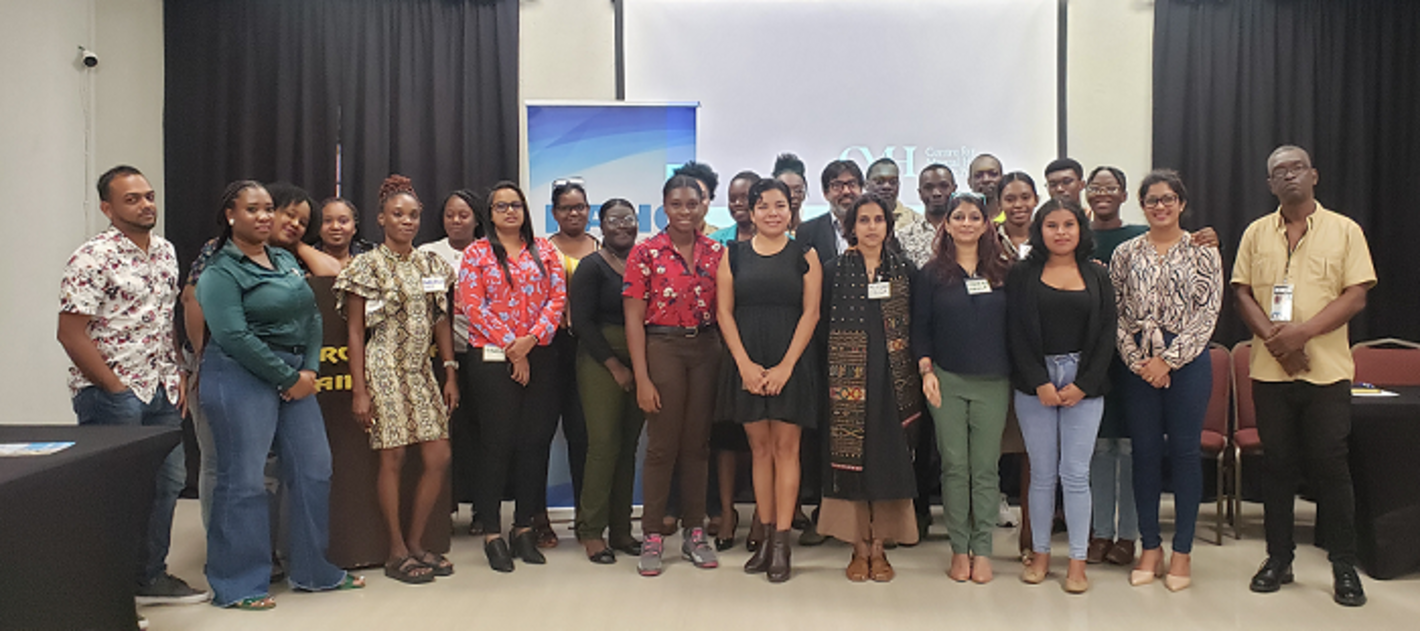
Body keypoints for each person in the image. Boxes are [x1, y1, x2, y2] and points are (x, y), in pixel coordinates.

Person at [196, 180, 363, 608]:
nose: (264, 216)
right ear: (231, 215)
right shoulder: (220, 269)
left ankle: (313, 570)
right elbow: (232, 335)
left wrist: (308, 369)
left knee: (314, 469)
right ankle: (238, 585)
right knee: (244, 479)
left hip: (295, 373)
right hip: (239, 374)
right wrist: (286, 378)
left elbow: (311, 316)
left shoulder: (285, 260)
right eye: (252, 209)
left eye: (268, 208)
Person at [57, 165, 209, 606]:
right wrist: (114, 387)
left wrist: (177, 371)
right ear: (107, 208)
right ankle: (106, 593)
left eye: (149, 196)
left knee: (167, 482)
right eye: (132, 199)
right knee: (117, 493)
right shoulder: (92, 257)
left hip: (162, 388)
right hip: (112, 392)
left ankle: (148, 578)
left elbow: (163, 318)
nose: (146, 205)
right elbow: (70, 333)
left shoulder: (164, 251)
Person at [1233, 145, 1375, 607]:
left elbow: (1356, 295)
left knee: (1331, 467)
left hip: (1326, 372)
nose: (1289, 175)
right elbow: (1243, 293)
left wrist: (1302, 335)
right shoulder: (1256, 232)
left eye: (1297, 168)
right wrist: (1278, 345)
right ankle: (1279, 558)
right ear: (1269, 184)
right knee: (1277, 466)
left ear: (1314, 175)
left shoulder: (1345, 230)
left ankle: (1343, 565)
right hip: (1270, 372)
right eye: (1279, 171)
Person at [336, 175, 459, 584]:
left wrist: (450, 371)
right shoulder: (366, 265)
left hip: (421, 370)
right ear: (381, 219)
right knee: (393, 457)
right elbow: (355, 331)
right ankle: (396, 551)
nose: (406, 221)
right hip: (384, 366)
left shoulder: (432, 264)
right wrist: (360, 389)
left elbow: (441, 320)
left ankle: (417, 542)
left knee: (438, 456)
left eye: (413, 215)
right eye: (398, 214)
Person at [1110, 170, 1223, 592]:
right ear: (1141, 205)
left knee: (1185, 454)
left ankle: (1182, 552)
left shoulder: (1203, 251)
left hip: (1187, 362)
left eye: (1168, 199)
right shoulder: (1125, 252)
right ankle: (1151, 547)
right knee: (1143, 454)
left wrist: (1168, 362)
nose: (1160, 206)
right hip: (1138, 362)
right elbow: (1115, 311)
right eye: (1152, 200)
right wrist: (1139, 361)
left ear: (1182, 203)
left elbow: (1207, 314)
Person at [716, 179, 823, 582]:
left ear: (791, 210)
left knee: (786, 449)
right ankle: (763, 535)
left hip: (790, 362)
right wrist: (744, 365)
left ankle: (782, 543)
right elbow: (724, 313)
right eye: (763, 206)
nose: (772, 213)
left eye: (780, 205)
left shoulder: (805, 254)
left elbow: (811, 313)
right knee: (759, 450)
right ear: (751, 211)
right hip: (747, 361)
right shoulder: (733, 255)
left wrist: (785, 367)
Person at [1007, 198, 1116, 594]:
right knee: (1041, 474)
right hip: (1035, 382)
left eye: (1068, 224)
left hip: (1083, 382)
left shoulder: (1097, 274)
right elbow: (1015, 331)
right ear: (1040, 231)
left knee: (1075, 474)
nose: (1061, 232)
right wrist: (1038, 381)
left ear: (1080, 228)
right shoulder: (1022, 274)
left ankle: (1077, 562)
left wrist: (1084, 383)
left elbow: (1107, 333)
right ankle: (1039, 555)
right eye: (1051, 225)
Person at [458, 181, 568, 573]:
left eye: (516, 205)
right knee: (497, 443)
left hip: (541, 354)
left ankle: (523, 528)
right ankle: (492, 532)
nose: (509, 211)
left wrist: (530, 341)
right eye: (501, 206)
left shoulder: (546, 252)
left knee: (534, 443)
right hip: (491, 357)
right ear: (489, 214)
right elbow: (472, 305)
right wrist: (512, 346)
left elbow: (557, 299)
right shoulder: (476, 253)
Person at [623, 174, 724, 576]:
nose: (685, 211)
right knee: (662, 445)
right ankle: (652, 533)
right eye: (677, 204)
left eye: (692, 204)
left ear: (703, 206)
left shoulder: (717, 252)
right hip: (662, 347)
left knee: (697, 445)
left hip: (706, 348)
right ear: (664, 207)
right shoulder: (645, 253)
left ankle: (695, 531)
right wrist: (642, 378)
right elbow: (633, 320)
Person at [819, 193, 923, 583]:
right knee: (852, 463)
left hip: (893, 382)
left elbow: (917, 325)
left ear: (888, 226)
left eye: (878, 219)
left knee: (887, 461)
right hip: (847, 384)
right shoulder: (833, 271)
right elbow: (819, 328)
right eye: (863, 220)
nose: (871, 227)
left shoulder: (905, 271)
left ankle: (880, 547)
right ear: (851, 227)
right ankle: (858, 548)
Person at [916, 192, 1013, 584]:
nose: (967, 223)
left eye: (975, 216)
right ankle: (959, 548)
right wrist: (926, 371)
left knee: (985, 468)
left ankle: (983, 548)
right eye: (959, 216)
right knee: (955, 467)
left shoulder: (1005, 271)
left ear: (987, 224)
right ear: (948, 224)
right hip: (947, 380)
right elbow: (920, 328)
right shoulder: (931, 274)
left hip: (994, 381)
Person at [790, 159, 865, 547]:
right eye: (837, 184)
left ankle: (865, 515)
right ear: (825, 192)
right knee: (822, 434)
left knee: (864, 433)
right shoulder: (808, 231)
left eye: (851, 183)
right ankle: (825, 513)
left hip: (867, 347)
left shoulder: (875, 226)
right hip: (821, 345)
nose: (845, 191)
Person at [572, 199, 646, 563]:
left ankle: (621, 530)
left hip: (641, 359)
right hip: (600, 360)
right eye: (613, 219)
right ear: (601, 226)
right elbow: (581, 323)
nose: (622, 225)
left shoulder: (645, 263)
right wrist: (615, 365)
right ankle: (591, 531)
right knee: (603, 444)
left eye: (628, 219)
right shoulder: (591, 266)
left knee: (629, 446)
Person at [418, 189, 481, 532]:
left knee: (480, 434)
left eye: (464, 215)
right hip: (439, 357)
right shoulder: (427, 253)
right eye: (450, 215)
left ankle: (481, 510)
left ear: (476, 219)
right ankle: (445, 506)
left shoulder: (489, 251)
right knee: (443, 435)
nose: (456, 221)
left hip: (483, 353)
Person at [541, 180, 597, 549]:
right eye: (565, 208)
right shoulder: (541, 251)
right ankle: (538, 519)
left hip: (588, 349)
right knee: (540, 434)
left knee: (583, 435)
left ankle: (585, 516)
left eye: (579, 207)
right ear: (555, 213)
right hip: (549, 348)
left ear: (588, 210)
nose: (573, 213)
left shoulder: (602, 248)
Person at [895, 163, 957, 268]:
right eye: (929, 188)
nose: (936, 193)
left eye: (943, 186)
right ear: (920, 193)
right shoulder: (903, 237)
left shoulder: (967, 232)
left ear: (954, 189)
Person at [314, 197, 374, 267]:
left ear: (354, 227)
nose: (335, 227)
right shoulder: (305, 260)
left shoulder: (370, 259)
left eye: (343, 221)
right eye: (328, 221)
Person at [867, 157, 924, 229]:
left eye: (893, 182)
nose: (887, 187)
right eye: (879, 182)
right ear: (866, 185)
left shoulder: (915, 221)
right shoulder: (855, 217)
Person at [709, 170, 760, 245]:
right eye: (732, 199)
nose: (737, 203)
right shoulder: (714, 241)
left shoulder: (777, 239)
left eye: (745, 198)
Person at [997, 172, 1038, 260]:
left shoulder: (1047, 237)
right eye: (1010, 199)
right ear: (999, 204)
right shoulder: (990, 238)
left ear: (1036, 200)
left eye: (1025, 198)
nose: (1018, 205)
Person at [674, 160, 721, 234]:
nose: (696, 203)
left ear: (710, 198)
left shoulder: (720, 238)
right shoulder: (661, 240)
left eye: (702, 197)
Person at [773, 153, 809, 230]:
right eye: (786, 190)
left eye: (797, 190)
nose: (792, 195)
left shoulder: (813, 233)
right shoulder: (763, 233)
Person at [968, 153, 1004, 221]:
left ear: (1002, 179)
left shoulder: (1011, 217)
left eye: (993, 174)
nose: (986, 180)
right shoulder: (963, 220)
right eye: (978, 175)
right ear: (969, 182)